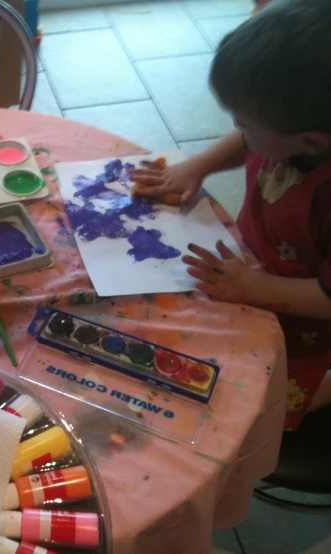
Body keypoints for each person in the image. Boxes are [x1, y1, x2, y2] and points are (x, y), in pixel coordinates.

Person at [131, 0, 331, 430]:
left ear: (310, 142)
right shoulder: (297, 129)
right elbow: (248, 139)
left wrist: (253, 287)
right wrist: (197, 165)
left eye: (247, 125)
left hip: (307, 325)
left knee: (246, 408)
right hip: (255, 269)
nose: (242, 132)